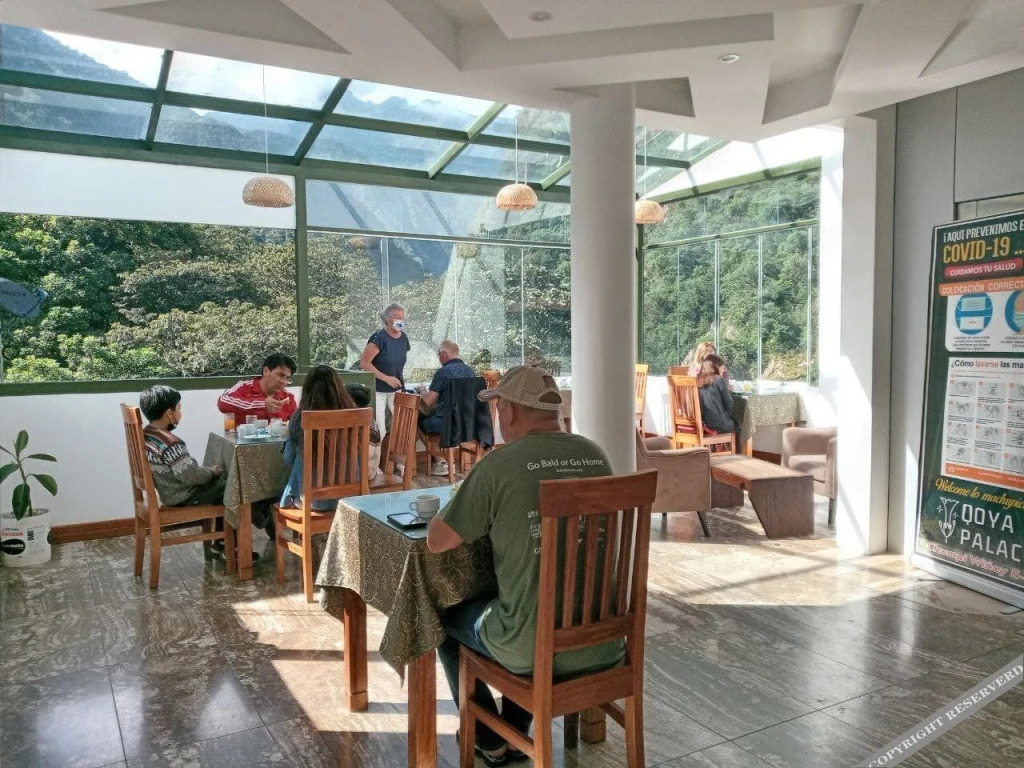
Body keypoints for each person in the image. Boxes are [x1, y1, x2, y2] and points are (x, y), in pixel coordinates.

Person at [426, 366, 622, 766]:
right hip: (605, 642)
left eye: (498, 407)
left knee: (440, 622)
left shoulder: (500, 465)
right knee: (526, 605)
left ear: (510, 410)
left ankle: (488, 736)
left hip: (532, 648)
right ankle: (513, 732)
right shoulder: (596, 455)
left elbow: (437, 541)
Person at [279, 365, 381, 509]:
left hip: (313, 501)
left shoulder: (300, 417)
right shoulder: (356, 415)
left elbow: (289, 460)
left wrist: (288, 439)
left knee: (284, 492)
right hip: (352, 498)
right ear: (339, 387)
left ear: (307, 389)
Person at [141, 385, 226, 507]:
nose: (180, 412)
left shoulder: (147, 435)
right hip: (187, 497)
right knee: (233, 488)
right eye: (179, 408)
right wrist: (212, 472)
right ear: (169, 413)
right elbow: (191, 477)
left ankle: (219, 520)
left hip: (170, 495)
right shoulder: (171, 444)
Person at [417, 340, 476, 475]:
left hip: (446, 424)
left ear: (444, 354)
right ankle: (452, 462)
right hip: (468, 423)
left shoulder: (443, 372)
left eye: (439, 355)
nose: (439, 358)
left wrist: (422, 390)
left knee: (419, 420)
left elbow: (429, 401)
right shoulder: (470, 371)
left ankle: (441, 462)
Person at [360, 303, 409, 449]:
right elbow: (364, 363)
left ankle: (399, 460)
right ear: (388, 319)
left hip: (397, 387)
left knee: (402, 426)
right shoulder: (379, 337)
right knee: (380, 429)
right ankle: (375, 461)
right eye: (398, 317)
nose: (401, 320)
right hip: (378, 389)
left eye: (403, 317)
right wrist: (386, 378)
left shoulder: (404, 338)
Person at [218, 353, 298, 423]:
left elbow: (296, 424)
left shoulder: (288, 397)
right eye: (280, 375)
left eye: (287, 378)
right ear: (266, 371)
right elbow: (223, 402)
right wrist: (262, 404)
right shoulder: (245, 387)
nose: (283, 382)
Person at [697, 353, 740, 444]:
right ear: (717, 367)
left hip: (702, 423)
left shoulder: (698, 380)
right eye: (723, 368)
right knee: (739, 425)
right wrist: (728, 391)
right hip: (718, 424)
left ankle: (716, 447)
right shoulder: (718, 379)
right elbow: (729, 403)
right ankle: (737, 452)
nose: (723, 371)